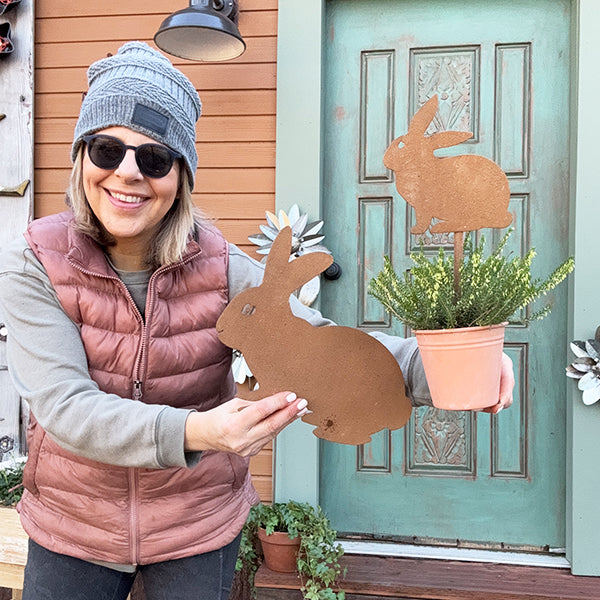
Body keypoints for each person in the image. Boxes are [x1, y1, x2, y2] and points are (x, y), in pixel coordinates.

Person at [0, 42, 514, 600]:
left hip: (197, 524)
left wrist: (436, 364)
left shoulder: (221, 266)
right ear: (81, 158)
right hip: (75, 527)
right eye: (107, 150)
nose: (127, 173)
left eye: (154, 159)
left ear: (181, 176)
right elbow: (66, 407)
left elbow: (315, 341)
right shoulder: (36, 261)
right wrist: (200, 431)